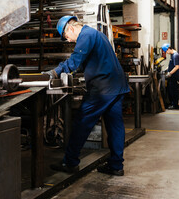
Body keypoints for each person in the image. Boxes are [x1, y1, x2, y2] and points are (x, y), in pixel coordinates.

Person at [43, 15, 130, 176]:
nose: (69, 41)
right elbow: (84, 62)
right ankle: (116, 166)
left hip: (102, 89)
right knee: (115, 126)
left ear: (71, 28)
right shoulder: (96, 34)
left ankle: (70, 162)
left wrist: (54, 72)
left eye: (66, 37)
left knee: (81, 123)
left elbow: (74, 61)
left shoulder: (86, 35)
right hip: (117, 87)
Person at [162, 43, 179, 109]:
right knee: (170, 91)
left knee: (174, 91)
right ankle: (172, 103)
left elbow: (176, 67)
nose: (166, 53)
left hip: (174, 77)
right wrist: (166, 69)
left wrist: (170, 74)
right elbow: (171, 65)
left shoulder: (175, 55)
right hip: (172, 77)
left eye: (166, 51)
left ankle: (174, 105)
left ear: (169, 49)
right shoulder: (172, 55)